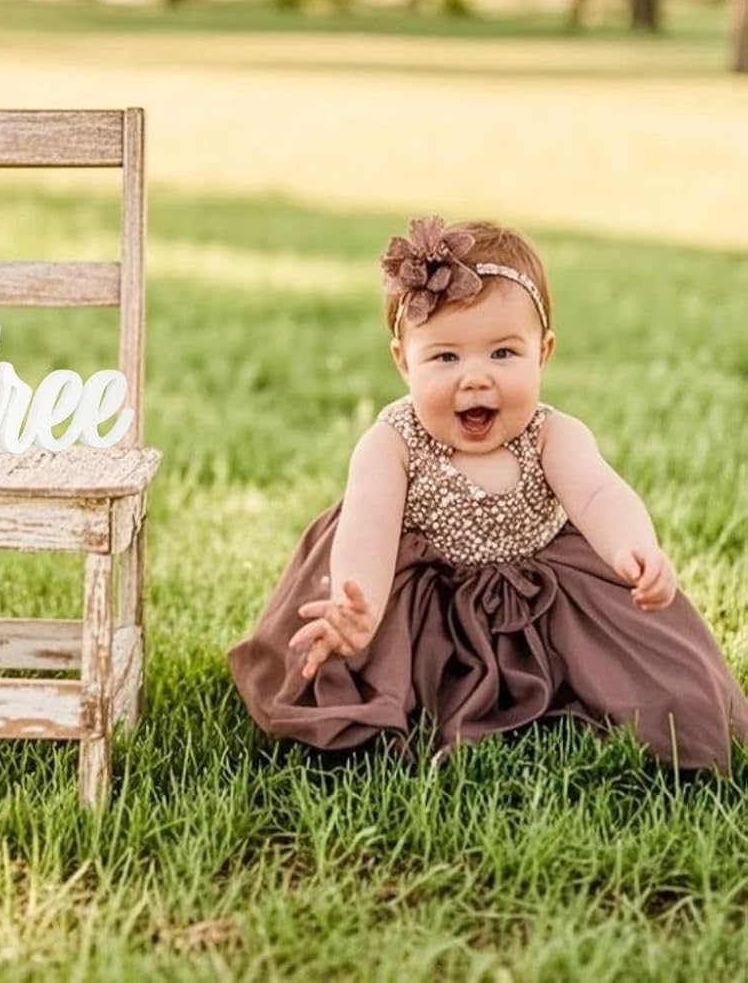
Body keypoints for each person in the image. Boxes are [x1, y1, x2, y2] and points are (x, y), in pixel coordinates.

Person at [226, 216, 748, 773]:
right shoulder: (391, 444)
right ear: (404, 361)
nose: (475, 378)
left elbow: (599, 493)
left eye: (502, 354)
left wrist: (632, 549)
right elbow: (368, 527)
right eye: (445, 357)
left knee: (664, 689)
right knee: (377, 699)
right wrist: (364, 607)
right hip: (426, 604)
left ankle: (563, 692)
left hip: (546, 600)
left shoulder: (552, 434)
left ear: (542, 352)